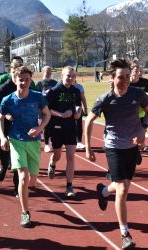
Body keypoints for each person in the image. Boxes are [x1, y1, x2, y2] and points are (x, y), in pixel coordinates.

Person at [84, 58, 148, 249]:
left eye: (127, 77)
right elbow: (89, 121)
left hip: (132, 146)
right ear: (112, 78)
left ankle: (104, 191)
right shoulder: (105, 99)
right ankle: (125, 234)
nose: (124, 81)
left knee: (122, 186)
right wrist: (88, 147)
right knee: (123, 191)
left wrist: (143, 129)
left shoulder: (138, 94)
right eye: (120, 77)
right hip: (113, 146)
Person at [0, 66, 50, 227]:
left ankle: (26, 192)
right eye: (21, 79)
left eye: (27, 79)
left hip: (33, 141)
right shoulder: (7, 100)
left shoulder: (37, 97)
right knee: (23, 177)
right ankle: (25, 213)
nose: (24, 82)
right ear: (15, 80)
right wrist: (2, 137)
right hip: (16, 140)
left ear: (30, 80)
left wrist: (40, 129)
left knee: (32, 181)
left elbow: (47, 114)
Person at [46, 66, 82, 197]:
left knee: (71, 157)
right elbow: (46, 110)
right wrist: (61, 114)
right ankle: (52, 162)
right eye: (68, 76)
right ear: (62, 76)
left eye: (73, 76)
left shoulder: (76, 91)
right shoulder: (53, 91)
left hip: (71, 127)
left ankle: (69, 186)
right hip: (56, 128)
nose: (70, 78)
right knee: (58, 155)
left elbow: (78, 106)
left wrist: (78, 112)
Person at [0, 61, 24, 196]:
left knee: (18, 158)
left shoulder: (27, 85)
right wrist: (4, 114)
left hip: (21, 127)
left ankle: (17, 187)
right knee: (4, 151)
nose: (17, 69)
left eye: (20, 66)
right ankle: (4, 166)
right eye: (15, 67)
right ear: (11, 69)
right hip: (5, 125)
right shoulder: (4, 87)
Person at [35, 66, 58, 153]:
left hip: (54, 108)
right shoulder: (39, 84)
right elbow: (36, 96)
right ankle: (47, 144)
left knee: (53, 127)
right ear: (43, 72)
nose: (48, 73)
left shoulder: (55, 83)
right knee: (46, 127)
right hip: (43, 108)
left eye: (49, 71)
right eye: (46, 71)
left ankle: (52, 142)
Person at [130, 59, 148, 151]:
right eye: (133, 67)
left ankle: (140, 147)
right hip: (129, 114)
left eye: (137, 67)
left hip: (142, 113)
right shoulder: (126, 83)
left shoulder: (145, 82)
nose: (135, 69)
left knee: (141, 134)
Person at [73, 81, 88, 150]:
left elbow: (83, 98)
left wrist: (85, 108)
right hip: (66, 108)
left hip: (77, 108)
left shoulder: (79, 87)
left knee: (78, 124)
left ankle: (79, 142)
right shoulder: (63, 86)